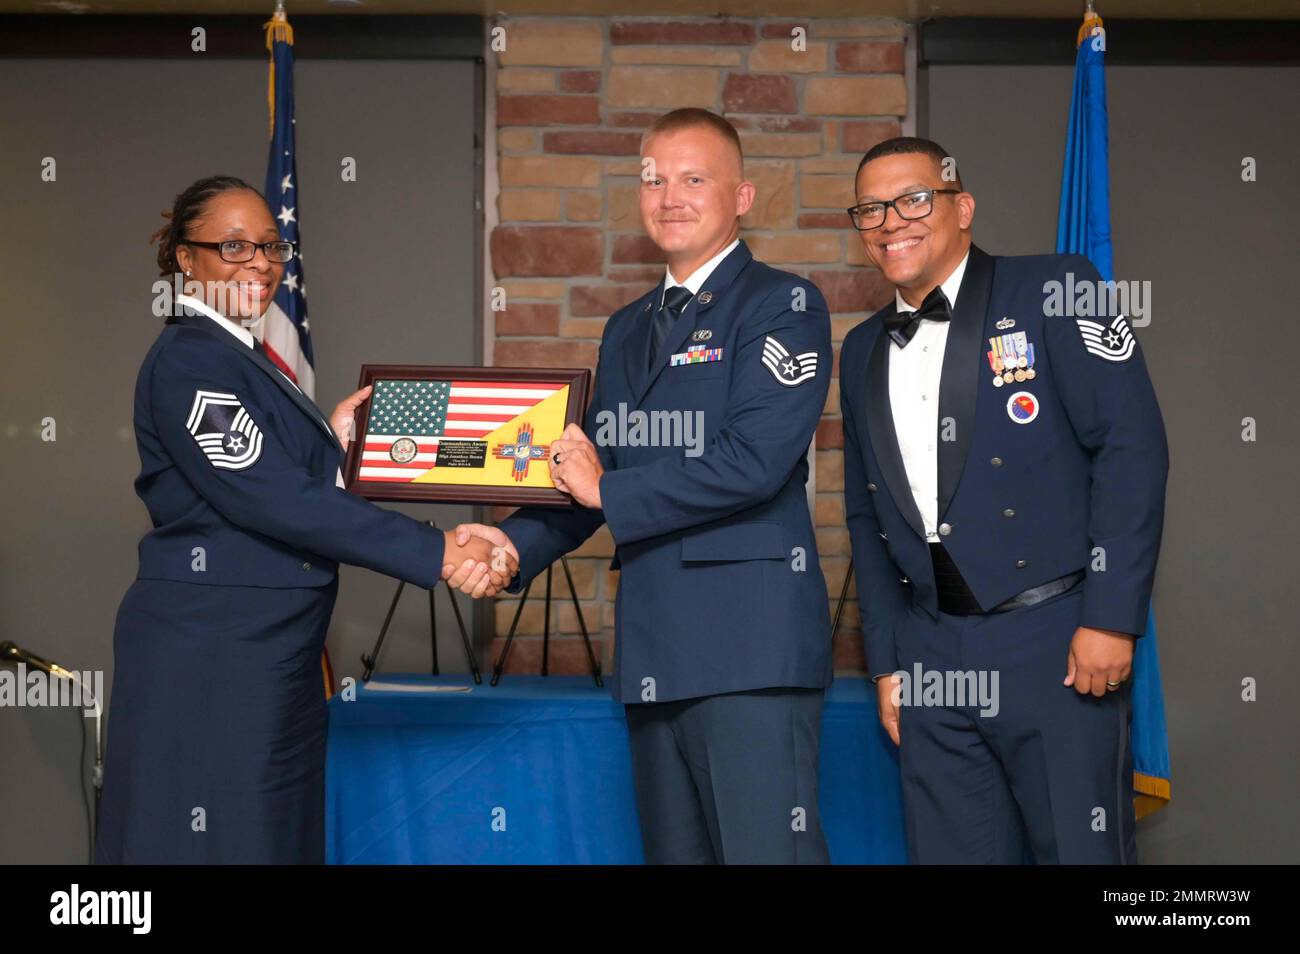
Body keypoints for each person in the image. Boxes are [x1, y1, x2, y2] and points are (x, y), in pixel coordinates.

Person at [448, 109, 833, 864]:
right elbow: (594, 470)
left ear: (743, 196)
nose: (670, 196)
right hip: (657, 651)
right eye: (654, 179)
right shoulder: (628, 326)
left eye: (695, 178)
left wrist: (604, 493)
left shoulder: (783, 305)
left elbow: (752, 461)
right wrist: (511, 543)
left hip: (748, 651)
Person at [96, 175, 513, 864]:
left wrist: (334, 455)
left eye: (270, 244)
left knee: (269, 838)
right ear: (184, 260)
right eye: (233, 246)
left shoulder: (242, 354)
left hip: (267, 653)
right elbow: (269, 497)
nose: (259, 263)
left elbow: (275, 486)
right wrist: (439, 551)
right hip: (214, 657)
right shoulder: (192, 358)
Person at [838, 138, 1168, 863]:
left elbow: (1131, 450)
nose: (891, 221)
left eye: (914, 199)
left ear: (962, 207)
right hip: (928, 650)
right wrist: (888, 662)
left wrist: (1112, 618)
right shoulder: (859, 347)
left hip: (1054, 639)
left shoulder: (1057, 286)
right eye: (870, 209)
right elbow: (867, 517)